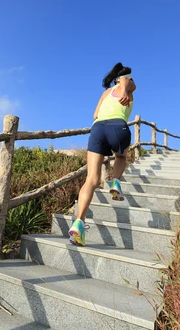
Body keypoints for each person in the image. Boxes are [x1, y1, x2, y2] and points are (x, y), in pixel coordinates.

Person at [68, 62, 136, 247]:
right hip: (117, 126)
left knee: (91, 178)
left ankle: (79, 223)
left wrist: (119, 90)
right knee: (121, 157)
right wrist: (124, 90)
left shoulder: (105, 93)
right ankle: (115, 182)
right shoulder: (129, 84)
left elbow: (95, 114)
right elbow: (128, 82)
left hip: (98, 129)